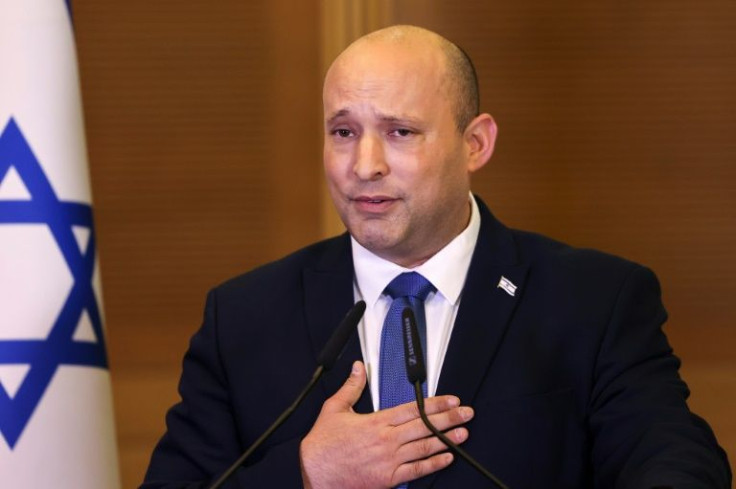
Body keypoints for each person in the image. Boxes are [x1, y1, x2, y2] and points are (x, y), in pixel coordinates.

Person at [141, 25, 731, 488]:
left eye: (400, 132)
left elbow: (675, 460)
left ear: (475, 143)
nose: (364, 164)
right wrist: (306, 474)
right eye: (343, 131)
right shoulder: (243, 317)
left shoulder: (594, 301)